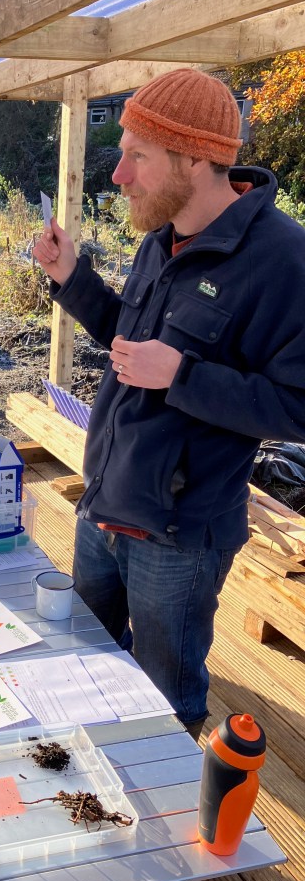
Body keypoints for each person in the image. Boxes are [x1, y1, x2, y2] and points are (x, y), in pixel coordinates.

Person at [33, 68, 305, 739]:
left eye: (138, 156)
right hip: (105, 504)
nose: (119, 175)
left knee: (164, 704)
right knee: (86, 667)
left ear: (196, 158)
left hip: (180, 538)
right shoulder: (162, 240)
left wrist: (181, 375)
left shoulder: (284, 262)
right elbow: (131, 343)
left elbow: (297, 406)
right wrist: (72, 279)